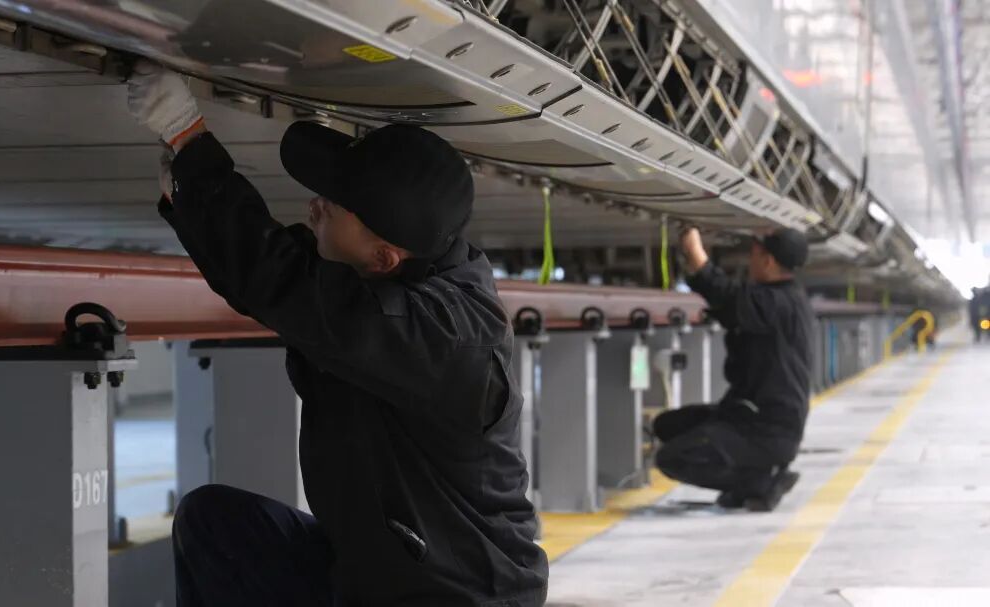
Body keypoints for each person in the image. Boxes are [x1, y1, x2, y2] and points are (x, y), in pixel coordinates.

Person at [126, 60, 548, 606]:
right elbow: (286, 280)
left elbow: (290, 286)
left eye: (333, 206)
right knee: (218, 525)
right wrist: (192, 193)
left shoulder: (444, 339)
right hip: (387, 572)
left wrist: (190, 137)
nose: (314, 205)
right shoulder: (400, 290)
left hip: (453, 597)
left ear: (383, 257)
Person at [653, 227, 814, 512]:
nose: (749, 260)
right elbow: (734, 307)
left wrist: (696, 255)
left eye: (755, 254)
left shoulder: (778, 302)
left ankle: (759, 481)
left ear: (768, 261)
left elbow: (731, 299)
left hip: (767, 429)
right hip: (747, 414)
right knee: (666, 426)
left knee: (672, 458)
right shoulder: (782, 299)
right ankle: (754, 477)